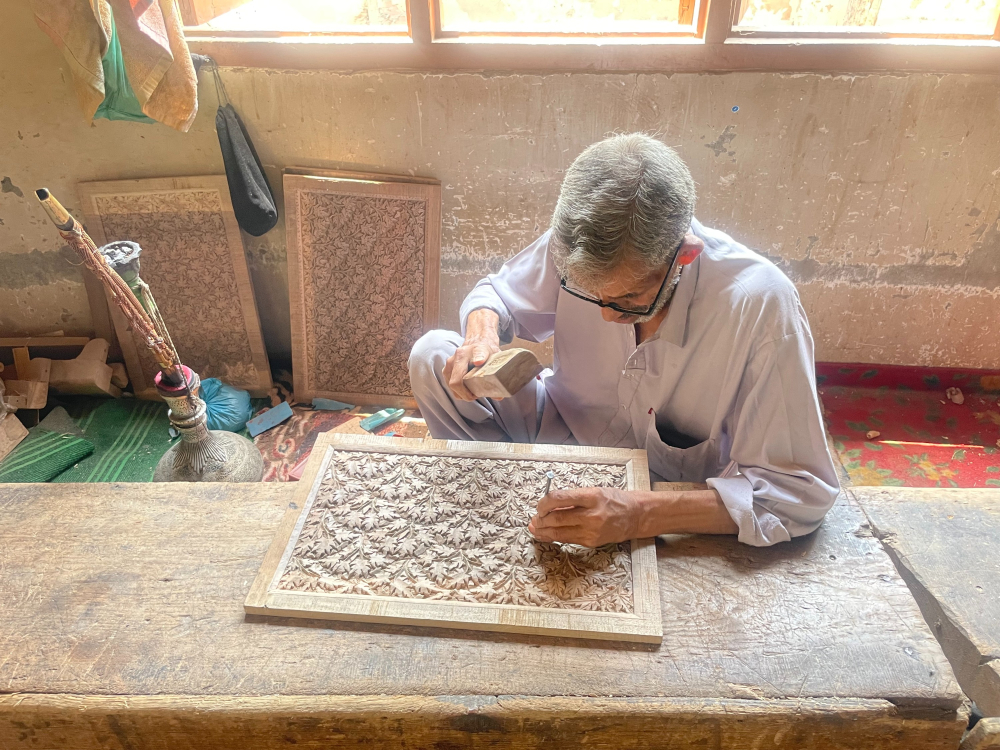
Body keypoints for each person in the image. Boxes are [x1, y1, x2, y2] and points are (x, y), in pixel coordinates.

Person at [409, 133, 839, 547]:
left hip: (663, 485)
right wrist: (482, 335)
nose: (606, 314)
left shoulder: (761, 304)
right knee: (431, 356)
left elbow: (798, 493)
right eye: (588, 292)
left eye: (629, 298)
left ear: (685, 256)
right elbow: (497, 295)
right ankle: (514, 506)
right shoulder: (576, 242)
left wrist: (639, 514)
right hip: (563, 429)